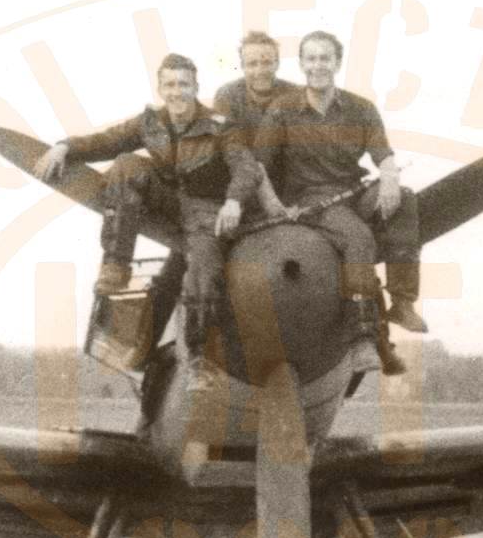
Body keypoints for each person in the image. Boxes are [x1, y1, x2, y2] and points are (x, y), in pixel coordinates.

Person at [34, 53, 259, 393]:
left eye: (184, 84)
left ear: (196, 87)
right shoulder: (150, 122)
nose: (177, 92)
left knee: (203, 270)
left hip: (205, 211)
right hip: (167, 200)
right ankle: (115, 266)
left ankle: (198, 358)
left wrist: (234, 200)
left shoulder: (221, 125)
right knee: (126, 164)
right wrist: (65, 147)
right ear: (160, 88)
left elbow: (244, 167)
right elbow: (106, 142)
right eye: (169, 84)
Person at [254, 31, 426, 373]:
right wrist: (274, 205)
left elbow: (383, 155)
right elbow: (258, 165)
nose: (318, 66)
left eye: (325, 58)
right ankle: (362, 339)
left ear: (337, 62)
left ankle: (403, 302)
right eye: (312, 59)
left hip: (354, 191)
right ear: (302, 64)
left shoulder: (360, 108)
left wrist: (389, 178)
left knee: (404, 198)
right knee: (358, 238)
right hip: (311, 199)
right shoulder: (282, 110)